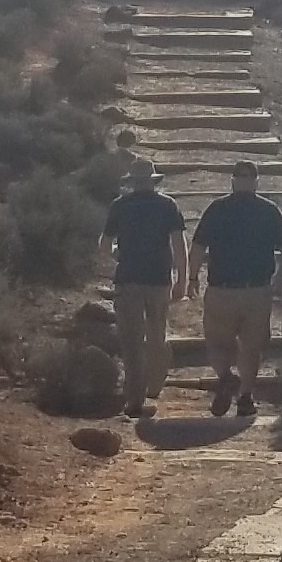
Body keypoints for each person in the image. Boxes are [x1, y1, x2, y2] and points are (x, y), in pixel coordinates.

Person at [191, 159, 282, 420]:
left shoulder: (217, 209)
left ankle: (226, 377)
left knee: (217, 344)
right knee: (252, 347)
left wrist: (191, 277)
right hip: (257, 291)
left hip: (221, 290)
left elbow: (198, 247)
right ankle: (246, 397)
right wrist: (279, 279)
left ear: (233, 181)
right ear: (256, 182)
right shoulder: (268, 210)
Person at [101, 159, 188, 415]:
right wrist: (182, 278)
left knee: (131, 340)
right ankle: (155, 381)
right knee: (156, 334)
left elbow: (104, 244)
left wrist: (117, 253)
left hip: (128, 278)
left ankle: (135, 397)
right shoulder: (167, 205)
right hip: (159, 279)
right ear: (152, 181)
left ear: (132, 182)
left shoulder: (120, 205)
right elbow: (179, 244)